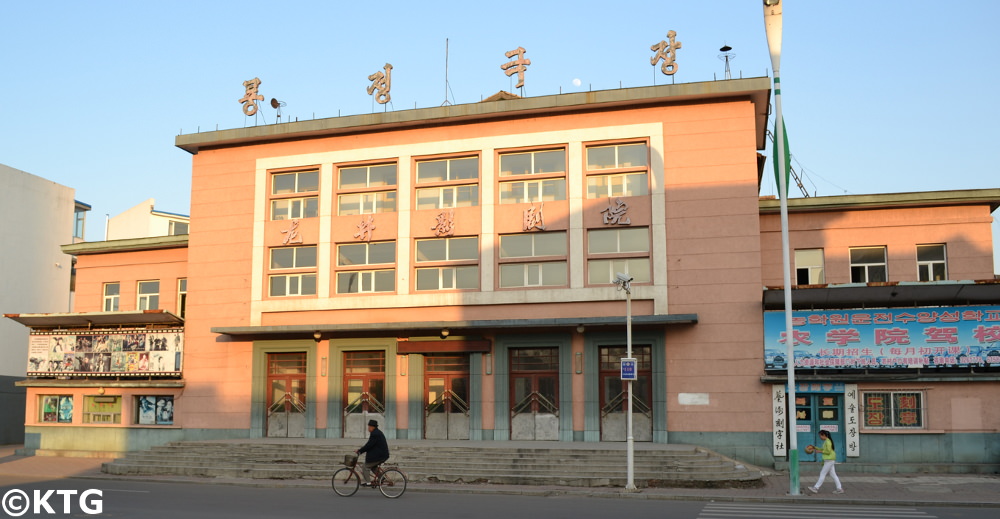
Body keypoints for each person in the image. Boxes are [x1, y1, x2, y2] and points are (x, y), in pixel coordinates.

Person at [808, 429, 844, 494]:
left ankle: (816, 488)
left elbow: (828, 451)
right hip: (830, 460)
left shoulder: (828, 442)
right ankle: (839, 489)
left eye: (820, 436)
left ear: (824, 435)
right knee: (833, 475)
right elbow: (824, 449)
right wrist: (815, 448)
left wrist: (819, 451)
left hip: (829, 460)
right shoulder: (827, 441)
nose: (820, 437)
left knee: (822, 474)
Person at [356, 419, 389, 486]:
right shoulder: (376, 432)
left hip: (380, 456)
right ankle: (381, 478)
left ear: (372, 427)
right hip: (382, 455)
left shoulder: (375, 434)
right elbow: (370, 445)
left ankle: (368, 482)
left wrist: (360, 451)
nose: (368, 428)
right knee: (373, 466)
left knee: (365, 466)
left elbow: (369, 445)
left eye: (369, 427)